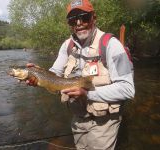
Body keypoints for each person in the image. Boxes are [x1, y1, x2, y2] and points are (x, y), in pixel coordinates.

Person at [27, 0, 135, 149]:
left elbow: (128, 89)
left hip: (104, 122)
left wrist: (88, 94)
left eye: (83, 17)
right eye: (73, 20)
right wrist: (38, 73)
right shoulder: (67, 46)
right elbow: (54, 73)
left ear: (93, 18)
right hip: (78, 119)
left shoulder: (111, 45)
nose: (78, 23)